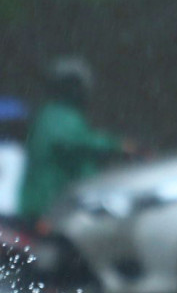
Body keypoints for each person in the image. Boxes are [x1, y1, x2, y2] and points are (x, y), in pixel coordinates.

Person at [16, 56, 128, 222]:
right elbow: (75, 142)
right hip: (47, 206)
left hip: (56, 205)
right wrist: (117, 146)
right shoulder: (58, 115)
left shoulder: (57, 114)